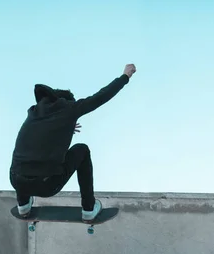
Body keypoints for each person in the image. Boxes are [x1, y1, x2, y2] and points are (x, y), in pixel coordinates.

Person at [9, 64, 136, 220]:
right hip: (47, 184)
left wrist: (66, 125)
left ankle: (23, 205)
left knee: (26, 151)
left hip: (16, 181)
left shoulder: (34, 114)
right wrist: (125, 76)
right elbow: (100, 97)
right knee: (82, 150)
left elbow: (42, 136)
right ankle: (89, 209)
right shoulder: (70, 108)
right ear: (66, 102)